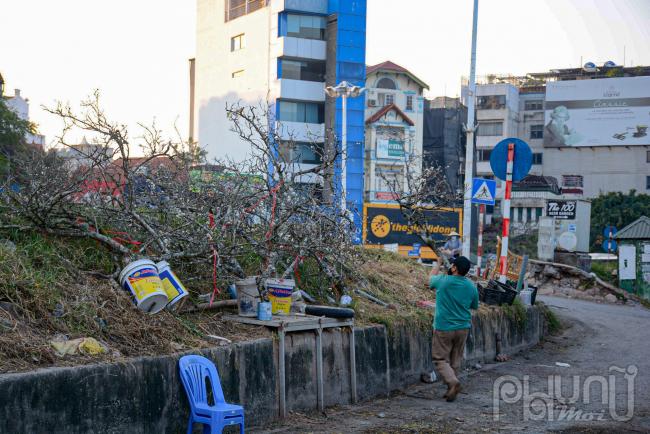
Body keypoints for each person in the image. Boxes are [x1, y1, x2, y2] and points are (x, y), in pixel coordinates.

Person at [429, 255, 479, 402]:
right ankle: (451, 389)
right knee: (455, 359)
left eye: (452, 265)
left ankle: (453, 382)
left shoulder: (443, 280)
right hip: (463, 327)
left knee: (440, 359)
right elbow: (474, 305)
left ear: (455, 268)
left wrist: (437, 264)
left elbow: (430, 279)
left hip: (444, 327)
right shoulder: (471, 286)